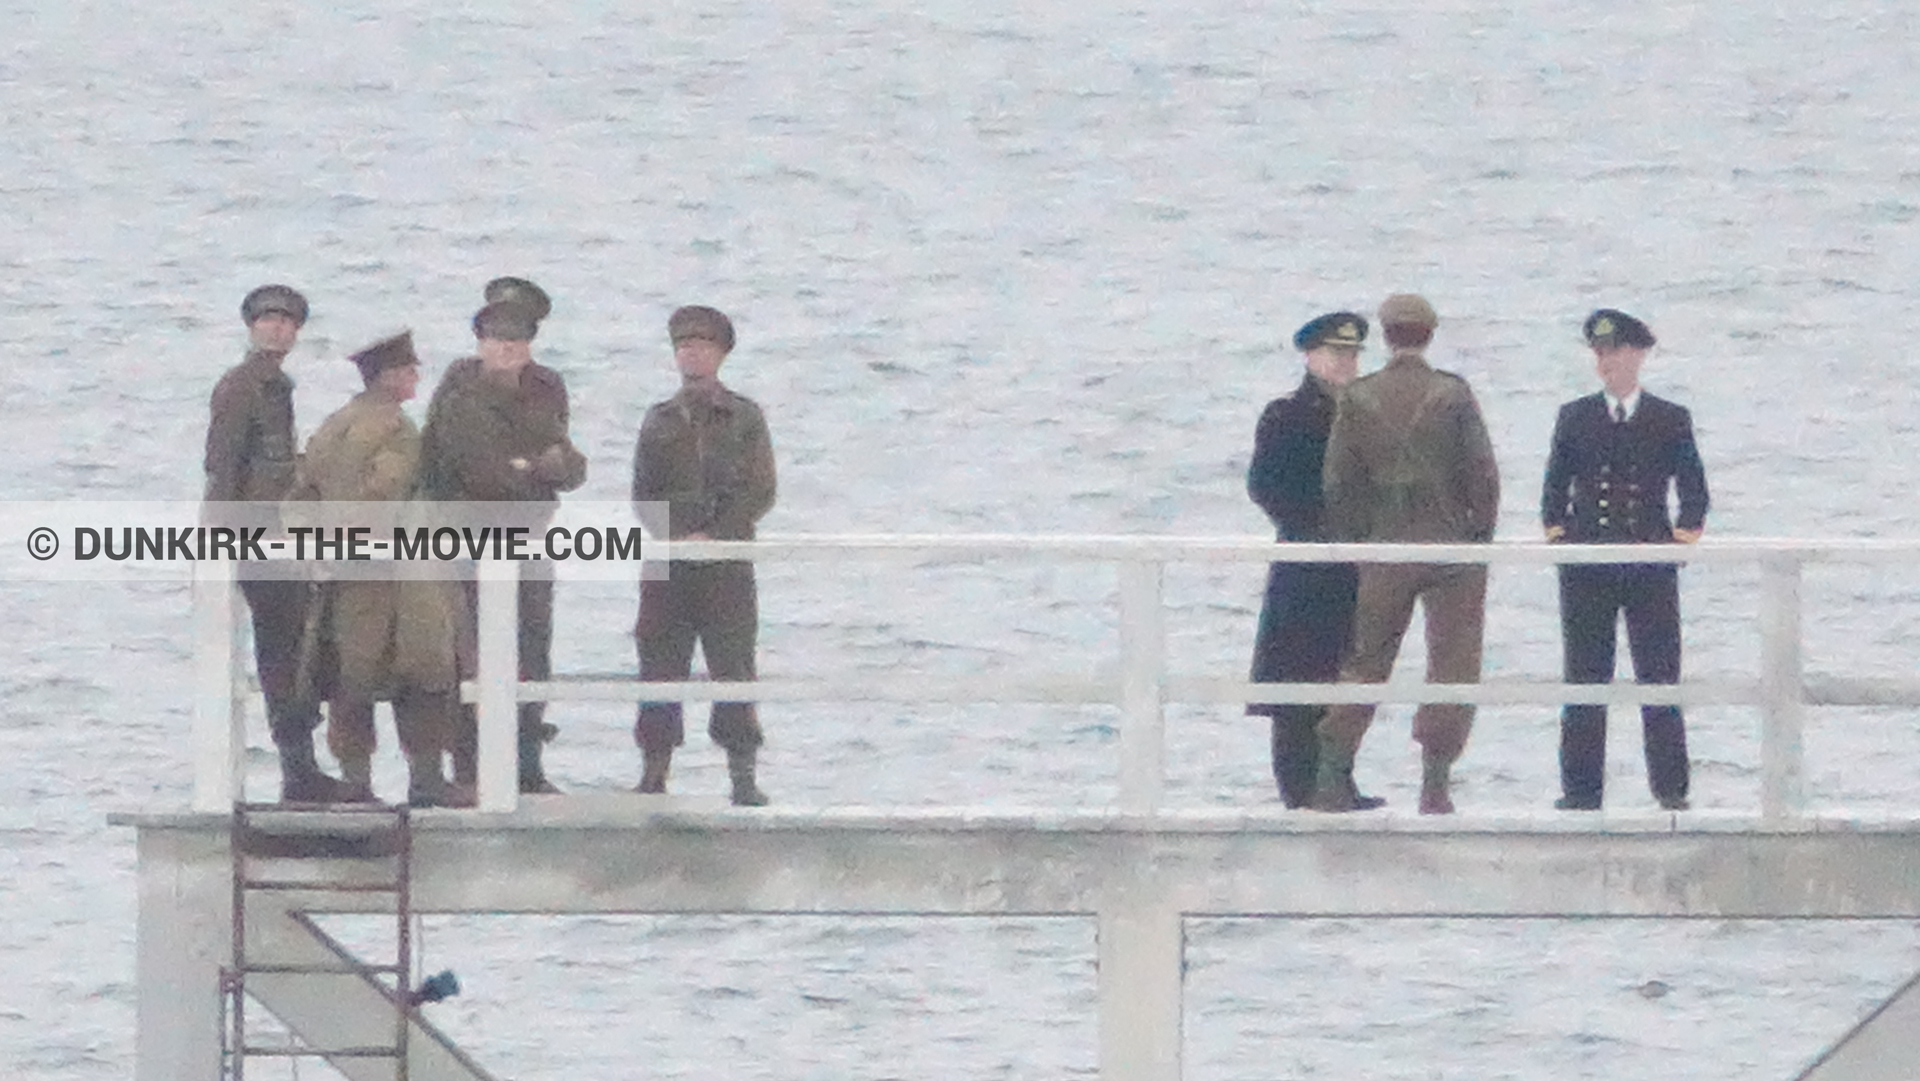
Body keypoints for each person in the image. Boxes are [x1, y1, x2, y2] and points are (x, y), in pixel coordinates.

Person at [1313, 294, 1501, 815]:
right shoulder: (1452, 394)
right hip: (1449, 550)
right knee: (1453, 665)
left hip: (1385, 548)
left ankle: (1335, 770)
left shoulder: (1360, 398)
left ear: (1387, 334)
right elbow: (1484, 478)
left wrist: (1361, 541)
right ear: (1429, 335)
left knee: (1366, 661)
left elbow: (1338, 482)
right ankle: (1435, 781)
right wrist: (1475, 542)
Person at [283, 331, 471, 808]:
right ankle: (426, 780)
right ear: (388, 377)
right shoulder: (397, 430)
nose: (415, 377)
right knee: (425, 675)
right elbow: (384, 494)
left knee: (351, 681)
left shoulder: (334, 424)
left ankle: (356, 782)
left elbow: (300, 495)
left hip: (343, 575)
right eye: (409, 370)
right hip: (399, 576)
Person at [418, 279, 587, 794]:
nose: (506, 347)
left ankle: (528, 764)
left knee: (533, 648)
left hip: (531, 539)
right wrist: (538, 468)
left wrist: (542, 466)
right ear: (479, 339)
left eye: (516, 338)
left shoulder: (546, 386)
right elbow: (477, 467)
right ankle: (470, 768)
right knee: (467, 653)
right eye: (496, 337)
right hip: (469, 540)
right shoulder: (460, 388)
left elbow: (570, 463)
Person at [1542, 309, 1709, 812]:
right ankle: (1580, 791)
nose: (1607, 361)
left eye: (1615, 351)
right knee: (1585, 679)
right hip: (1588, 568)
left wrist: (1677, 544)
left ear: (1638, 354)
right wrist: (1562, 541)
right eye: (1600, 353)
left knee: (1659, 679)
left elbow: (1695, 491)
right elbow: (1554, 490)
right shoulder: (1575, 416)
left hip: (1649, 569)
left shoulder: (1669, 417)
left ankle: (1671, 789)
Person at [204, 284, 349, 803]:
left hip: (282, 540)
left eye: (286, 322)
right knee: (282, 654)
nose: (277, 329)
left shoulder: (274, 386)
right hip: (256, 542)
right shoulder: (241, 387)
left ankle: (301, 766)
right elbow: (222, 470)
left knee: (297, 651)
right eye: (268, 320)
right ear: (251, 326)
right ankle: (297, 768)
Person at [631, 305, 776, 806]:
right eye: (683, 345)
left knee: (733, 667)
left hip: (727, 567)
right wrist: (676, 536)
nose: (690, 353)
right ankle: (653, 771)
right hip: (667, 565)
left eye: (701, 345)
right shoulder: (658, 420)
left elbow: (760, 489)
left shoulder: (745, 417)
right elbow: (643, 495)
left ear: (720, 353)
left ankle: (742, 772)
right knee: (658, 666)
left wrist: (718, 534)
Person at [1246, 312, 1384, 809]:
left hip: (1355, 569)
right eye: (1335, 353)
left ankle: (1337, 782)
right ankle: (1298, 789)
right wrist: (1314, 528)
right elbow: (1265, 485)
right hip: (1304, 571)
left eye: (1350, 354)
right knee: (1296, 684)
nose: (1344, 362)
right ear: (1310, 357)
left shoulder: (1368, 414)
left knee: (1346, 680)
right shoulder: (1287, 415)